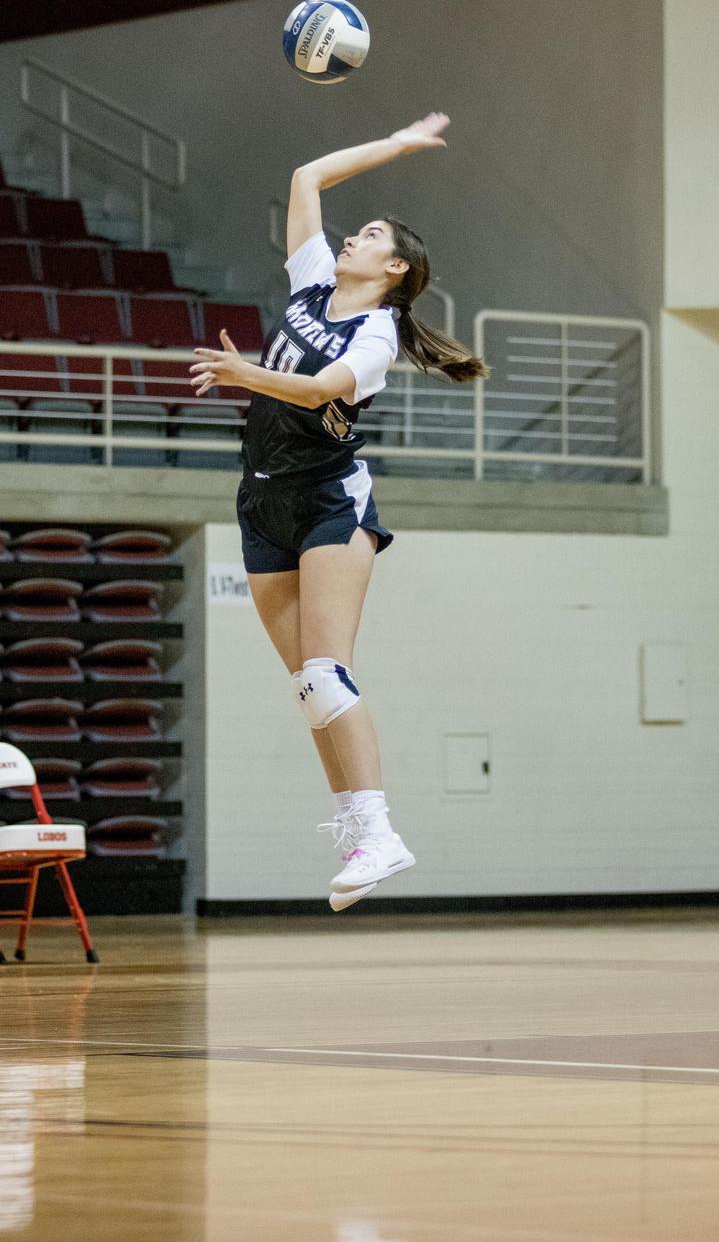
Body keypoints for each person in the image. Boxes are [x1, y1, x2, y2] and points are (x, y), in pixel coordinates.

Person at [189, 113, 488, 910]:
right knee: (308, 689)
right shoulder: (314, 280)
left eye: (372, 235)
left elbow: (321, 391)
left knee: (327, 668)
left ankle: (382, 831)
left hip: (329, 498)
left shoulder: (378, 333)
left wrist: (246, 373)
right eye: (356, 230)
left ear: (393, 268)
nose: (351, 236)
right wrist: (396, 145)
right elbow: (306, 179)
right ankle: (361, 831)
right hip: (262, 495)